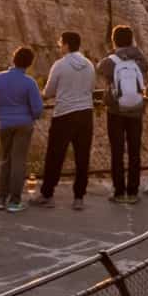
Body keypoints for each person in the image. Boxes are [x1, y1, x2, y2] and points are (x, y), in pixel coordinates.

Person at [36, 31, 94, 210]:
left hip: (64, 114)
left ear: (67, 45)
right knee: (82, 157)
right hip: (86, 113)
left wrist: (42, 95)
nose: (59, 46)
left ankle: (47, 194)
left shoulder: (60, 65)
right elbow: (91, 87)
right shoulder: (89, 64)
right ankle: (79, 197)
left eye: (61, 43)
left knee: (55, 155)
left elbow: (49, 92)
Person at [98, 25, 148, 204]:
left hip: (115, 110)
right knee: (135, 150)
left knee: (117, 151)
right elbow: (146, 70)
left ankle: (119, 191)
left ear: (114, 40)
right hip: (136, 109)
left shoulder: (110, 60)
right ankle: (133, 191)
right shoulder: (139, 58)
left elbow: (100, 69)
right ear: (132, 39)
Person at [0, 47, 43, 213]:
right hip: (24, 125)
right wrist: (30, 117)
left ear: (14, 59)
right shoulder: (30, 83)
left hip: (5, 124)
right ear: (29, 64)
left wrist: (3, 115)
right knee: (18, 162)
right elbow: (37, 109)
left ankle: (0, 198)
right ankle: (14, 201)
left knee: (5, 160)